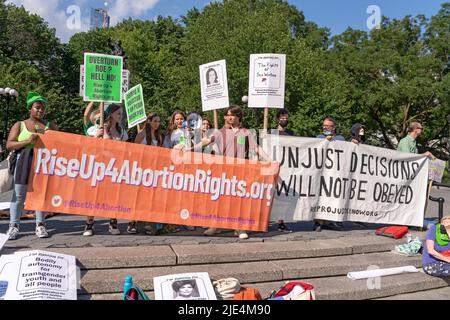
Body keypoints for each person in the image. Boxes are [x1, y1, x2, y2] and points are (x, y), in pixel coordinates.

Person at [201, 105, 271, 240]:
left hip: (240, 171)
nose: (230, 117)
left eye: (232, 115)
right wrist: (194, 145)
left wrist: (269, 160)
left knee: (239, 199)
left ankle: (240, 227)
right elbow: (208, 141)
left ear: (239, 116)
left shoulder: (246, 132)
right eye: (228, 115)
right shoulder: (220, 132)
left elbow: (256, 147)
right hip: (223, 170)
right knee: (220, 198)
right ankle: (215, 226)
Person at [6, 92, 58, 240]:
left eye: (43, 108)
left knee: (41, 194)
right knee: (19, 194)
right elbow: (9, 144)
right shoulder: (20, 124)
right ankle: (14, 226)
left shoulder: (50, 125)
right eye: (37, 107)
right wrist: (27, 141)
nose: (40, 110)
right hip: (24, 159)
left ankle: (40, 224)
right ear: (30, 108)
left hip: (43, 162)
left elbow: (61, 143)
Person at [83, 103, 132, 236]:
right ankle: (89, 225)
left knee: (113, 197)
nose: (120, 116)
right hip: (98, 166)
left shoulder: (121, 131)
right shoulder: (96, 128)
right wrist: (98, 135)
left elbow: (126, 149)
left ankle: (113, 222)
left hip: (115, 168)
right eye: (118, 113)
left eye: (121, 114)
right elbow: (88, 146)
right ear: (110, 115)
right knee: (93, 196)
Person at [134, 113, 165, 235]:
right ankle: (140, 223)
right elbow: (134, 151)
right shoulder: (142, 134)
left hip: (154, 171)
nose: (157, 124)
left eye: (159, 121)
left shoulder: (159, 137)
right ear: (149, 121)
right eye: (155, 121)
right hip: (142, 170)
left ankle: (152, 224)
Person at [314, 117, 345, 232]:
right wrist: (325, 141)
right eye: (324, 125)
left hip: (336, 173)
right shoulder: (319, 138)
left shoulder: (341, 139)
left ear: (334, 127)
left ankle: (330, 221)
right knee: (320, 197)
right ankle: (318, 222)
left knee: (332, 197)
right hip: (322, 172)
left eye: (327, 126)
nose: (325, 127)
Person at [271, 109, 294, 232]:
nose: (284, 120)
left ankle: (281, 222)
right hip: (275, 166)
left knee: (283, 196)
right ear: (277, 119)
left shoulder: (291, 133)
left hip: (287, 168)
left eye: (286, 118)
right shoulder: (272, 132)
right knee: (273, 195)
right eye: (282, 118)